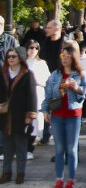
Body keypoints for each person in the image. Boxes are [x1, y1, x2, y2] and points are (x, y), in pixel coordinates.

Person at [42, 41, 86, 188]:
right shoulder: (55, 75)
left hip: (73, 115)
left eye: (67, 56)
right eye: (62, 55)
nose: (64, 58)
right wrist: (45, 111)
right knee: (59, 148)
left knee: (71, 149)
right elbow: (47, 95)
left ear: (73, 58)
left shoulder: (80, 74)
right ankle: (59, 179)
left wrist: (77, 88)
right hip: (57, 114)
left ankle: (71, 179)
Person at [0, 46, 37, 184]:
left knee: (21, 146)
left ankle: (20, 173)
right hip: (4, 115)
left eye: (13, 56)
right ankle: (6, 172)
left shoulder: (27, 74)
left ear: (20, 58)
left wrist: (30, 114)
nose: (10, 59)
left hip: (20, 115)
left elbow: (31, 96)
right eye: (8, 57)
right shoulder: (2, 73)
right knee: (7, 147)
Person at [24, 42, 50, 154]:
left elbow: (47, 80)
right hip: (24, 94)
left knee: (36, 120)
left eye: (36, 48)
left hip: (37, 92)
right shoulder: (23, 62)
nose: (33, 50)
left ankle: (30, 147)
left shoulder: (42, 63)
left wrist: (36, 80)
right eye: (30, 47)